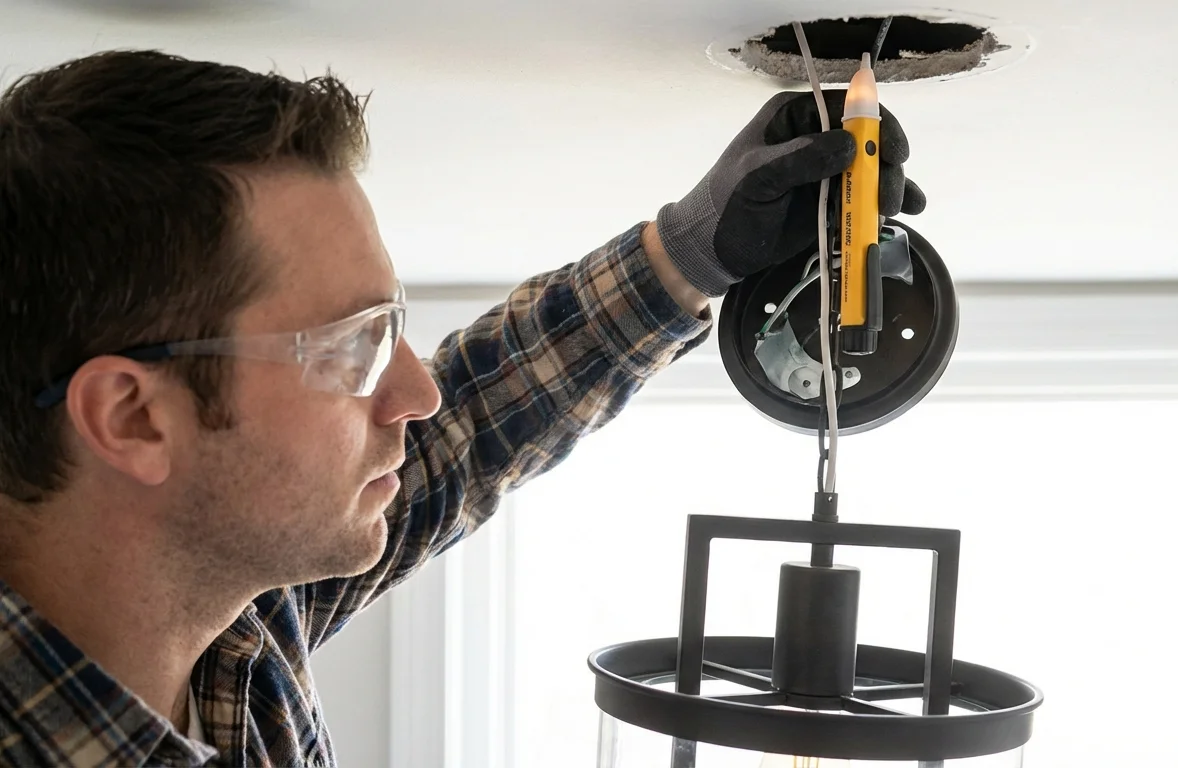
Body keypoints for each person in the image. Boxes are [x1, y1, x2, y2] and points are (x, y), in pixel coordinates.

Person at [0, 49, 924, 766]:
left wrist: (692, 250)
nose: (417, 392)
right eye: (354, 344)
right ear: (133, 417)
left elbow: (472, 431)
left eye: (393, 328)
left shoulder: (234, 620)